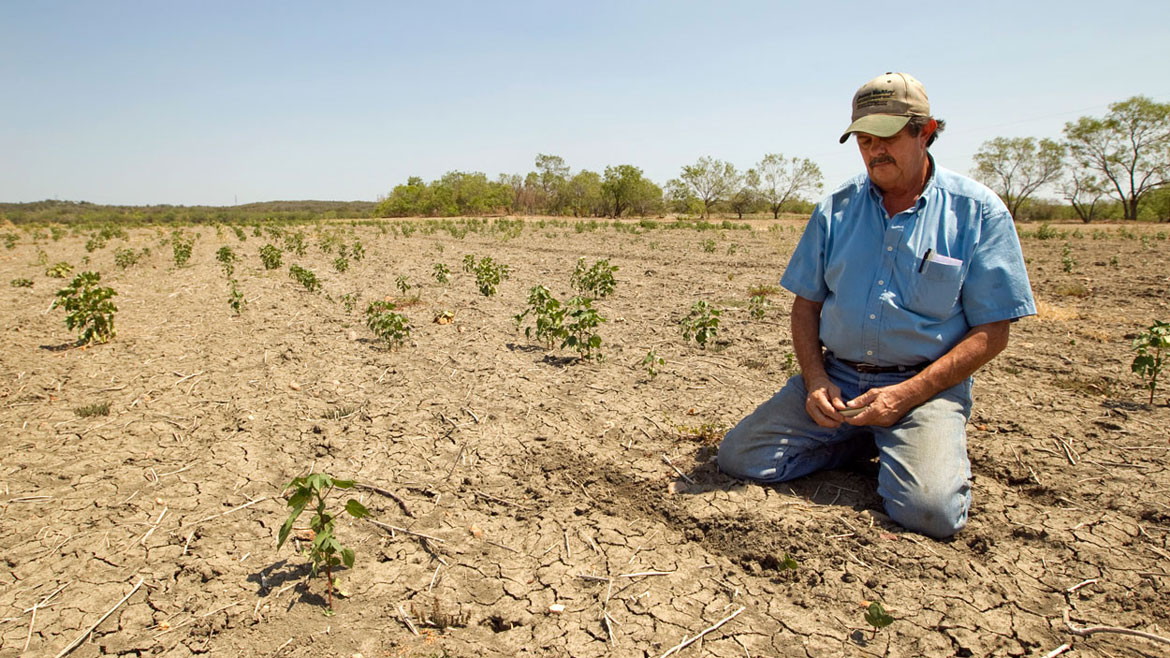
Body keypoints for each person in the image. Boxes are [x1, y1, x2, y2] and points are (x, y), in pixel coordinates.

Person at [717, 72, 1036, 539]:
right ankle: (858, 437)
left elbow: (993, 332)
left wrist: (903, 397)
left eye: (887, 137)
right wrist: (816, 380)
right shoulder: (836, 209)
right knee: (739, 458)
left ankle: (902, 442)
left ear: (924, 132)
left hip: (921, 388)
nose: (874, 151)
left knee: (930, 513)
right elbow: (806, 306)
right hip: (840, 379)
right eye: (864, 139)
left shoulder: (977, 211)